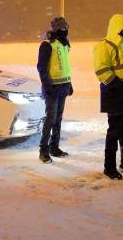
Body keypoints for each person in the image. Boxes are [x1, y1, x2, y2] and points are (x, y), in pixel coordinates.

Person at [93, 14, 123, 180]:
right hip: (114, 95)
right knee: (114, 132)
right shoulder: (104, 45)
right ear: (119, 29)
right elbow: (102, 71)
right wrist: (119, 87)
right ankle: (109, 167)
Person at [36, 17, 73, 164]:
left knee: (58, 119)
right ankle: (43, 150)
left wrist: (69, 83)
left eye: (66, 28)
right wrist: (47, 85)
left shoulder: (65, 44)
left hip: (63, 86)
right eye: (61, 28)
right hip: (52, 87)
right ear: (56, 29)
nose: (64, 31)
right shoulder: (47, 45)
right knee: (50, 119)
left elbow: (65, 67)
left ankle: (54, 147)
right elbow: (41, 67)